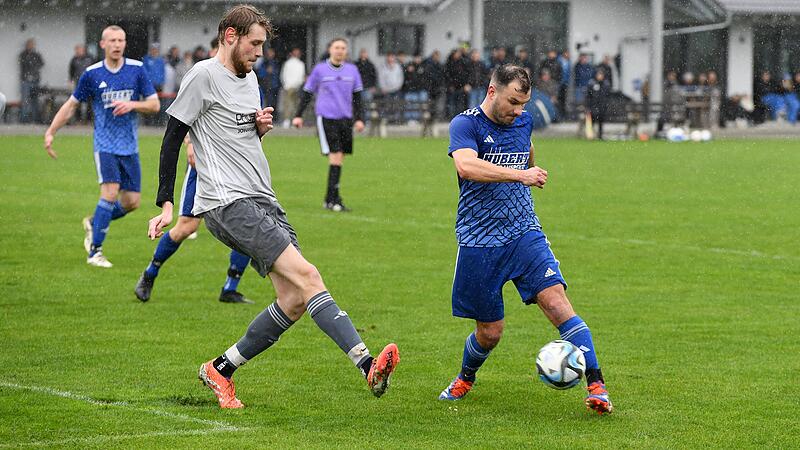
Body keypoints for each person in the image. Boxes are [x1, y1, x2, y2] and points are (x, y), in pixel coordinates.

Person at [149, 5, 399, 409]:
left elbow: (239, 140)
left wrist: (258, 130)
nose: (260, 54)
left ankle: (221, 368)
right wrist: (165, 201)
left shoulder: (249, 81)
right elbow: (173, 136)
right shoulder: (202, 76)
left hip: (263, 198)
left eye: (263, 46)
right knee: (309, 275)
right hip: (227, 203)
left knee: (295, 298)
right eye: (254, 44)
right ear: (230, 36)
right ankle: (366, 363)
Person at [439, 64, 613, 415]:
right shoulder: (466, 124)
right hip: (479, 239)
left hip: (524, 233)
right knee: (490, 333)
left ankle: (597, 387)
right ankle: (466, 376)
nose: (519, 111)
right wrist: (521, 175)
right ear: (492, 91)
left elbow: (527, 148)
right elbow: (466, 167)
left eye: (524, 104)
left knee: (559, 305)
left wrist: (530, 171)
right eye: (513, 102)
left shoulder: (522, 121)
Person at [43, 25, 159, 267]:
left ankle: (95, 221)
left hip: (130, 146)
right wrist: (51, 131)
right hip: (105, 145)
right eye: (112, 40)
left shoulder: (137, 70)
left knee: (131, 202)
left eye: (121, 40)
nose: (117, 45)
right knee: (109, 192)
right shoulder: (92, 74)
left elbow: (154, 104)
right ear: (103, 44)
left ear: (125, 44)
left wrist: (132, 106)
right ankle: (95, 252)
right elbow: (72, 105)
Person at [135, 137, 255, 304]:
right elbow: (187, 113)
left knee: (246, 224)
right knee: (186, 227)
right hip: (203, 164)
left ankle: (230, 288)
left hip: (235, 166)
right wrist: (190, 142)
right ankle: (150, 273)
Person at [293, 38, 366, 212]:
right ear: (330, 50)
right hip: (326, 118)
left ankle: (330, 198)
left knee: (340, 158)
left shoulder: (352, 70)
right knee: (335, 155)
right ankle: (334, 200)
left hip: (345, 119)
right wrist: (298, 115)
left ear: (346, 51)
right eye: (336, 47)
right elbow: (307, 93)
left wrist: (359, 119)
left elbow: (358, 98)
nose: (339, 50)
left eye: (343, 48)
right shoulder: (320, 70)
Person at [19, 38, 44, 124]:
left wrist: (34, 72)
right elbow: (23, 64)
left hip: (35, 80)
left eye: (32, 44)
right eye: (29, 44)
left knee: (35, 100)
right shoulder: (23, 55)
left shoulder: (36, 55)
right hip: (25, 80)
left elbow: (41, 64)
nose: (31, 46)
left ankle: (35, 118)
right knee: (25, 100)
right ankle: (24, 119)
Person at [68, 44, 95, 123]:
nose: (77, 52)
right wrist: (71, 80)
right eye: (76, 50)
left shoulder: (90, 58)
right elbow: (71, 71)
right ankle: (78, 119)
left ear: (83, 50)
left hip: (90, 83)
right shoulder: (74, 59)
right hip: (78, 82)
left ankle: (88, 119)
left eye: (79, 50)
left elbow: (94, 69)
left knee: (89, 101)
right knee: (77, 100)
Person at [280, 47, 305, 128]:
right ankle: (289, 121)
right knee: (291, 105)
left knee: (291, 104)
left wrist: (288, 84)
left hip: (292, 87)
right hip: (291, 87)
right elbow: (284, 75)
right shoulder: (289, 63)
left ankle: (290, 121)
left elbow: (283, 75)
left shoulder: (299, 64)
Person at [587, 70, 610, 139]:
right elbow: (589, 96)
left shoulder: (605, 84)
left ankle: (600, 135)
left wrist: (605, 104)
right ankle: (591, 135)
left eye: (601, 75)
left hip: (601, 106)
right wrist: (589, 105)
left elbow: (607, 95)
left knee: (601, 121)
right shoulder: (592, 84)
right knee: (593, 121)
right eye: (599, 75)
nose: (600, 76)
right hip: (594, 105)